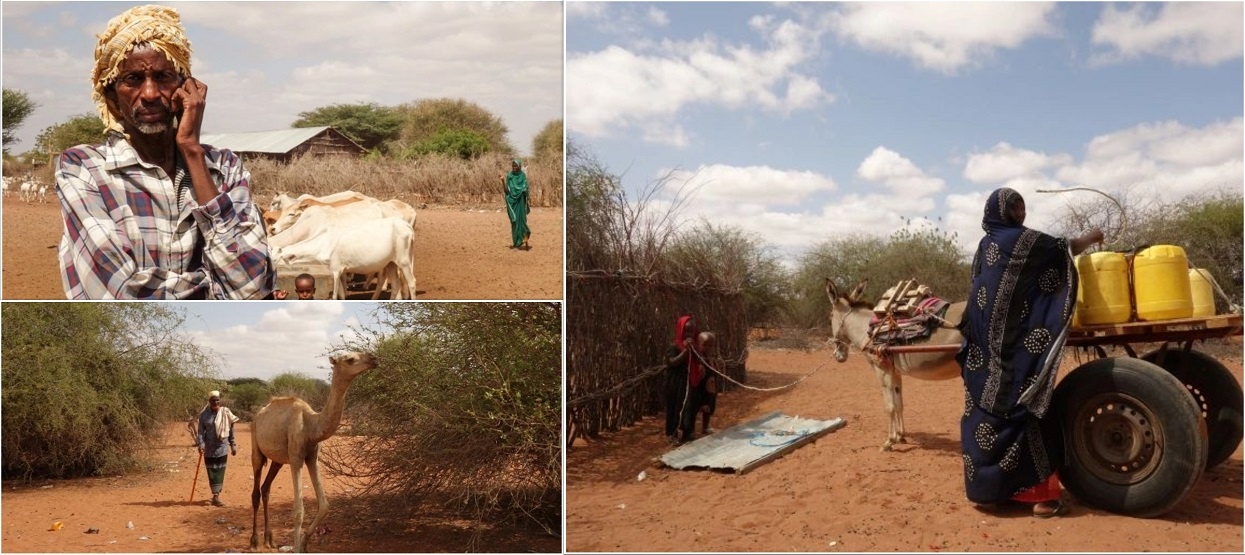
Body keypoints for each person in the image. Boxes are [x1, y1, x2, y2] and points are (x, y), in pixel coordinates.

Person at [56, 5, 273, 299]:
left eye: (163, 77)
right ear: (112, 94)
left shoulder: (225, 166)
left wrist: (192, 151)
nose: (149, 94)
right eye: (132, 80)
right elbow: (124, 292)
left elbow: (251, 286)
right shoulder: (83, 168)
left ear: (188, 88)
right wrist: (216, 288)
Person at [956, 187, 1103, 518]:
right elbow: (1065, 248)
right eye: (1017, 208)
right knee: (1033, 406)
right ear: (1004, 212)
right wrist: (1093, 236)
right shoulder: (1028, 243)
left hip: (983, 355)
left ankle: (989, 493)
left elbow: (976, 294)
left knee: (981, 417)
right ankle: (1041, 498)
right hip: (1018, 354)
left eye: (1023, 207)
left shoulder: (984, 246)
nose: (1022, 213)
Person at [664, 315, 715, 445]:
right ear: (680, 330)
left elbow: (700, 360)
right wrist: (685, 351)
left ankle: (687, 432)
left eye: (691, 331)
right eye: (686, 330)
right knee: (675, 408)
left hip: (690, 382)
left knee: (689, 408)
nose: (689, 333)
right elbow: (672, 362)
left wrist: (701, 366)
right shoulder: (674, 347)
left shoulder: (695, 347)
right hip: (676, 383)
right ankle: (672, 434)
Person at [196, 390, 239, 507]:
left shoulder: (225, 413)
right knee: (211, 472)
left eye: (217, 400)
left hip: (222, 448)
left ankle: (216, 496)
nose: (215, 402)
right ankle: (215, 494)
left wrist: (233, 444)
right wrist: (201, 444)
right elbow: (200, 432)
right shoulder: (204, 415)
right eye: (213, 400)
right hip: (209, 449)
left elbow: (231, 430)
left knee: (220, 472)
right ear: (209, 401)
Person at [500, 159, 531, 250]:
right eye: (512, 166)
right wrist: (502, 181)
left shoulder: (522, 176)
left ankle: (525, 241)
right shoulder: (509, 176)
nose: (514, 167)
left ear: (519, 166)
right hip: (513, 202)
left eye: (515, 166)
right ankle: (516, 244)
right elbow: (507, 191)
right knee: (514, 222)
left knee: (522, 223)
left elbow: (525, 188)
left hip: (520, 201)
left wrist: (524, 190)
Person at [696, 331, 719, 435]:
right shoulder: (697, 358)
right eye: (705, 345)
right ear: (698, 344)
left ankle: (705, 426)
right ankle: (689, 430)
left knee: (709, 406)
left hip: (710, 387)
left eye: (711, 346)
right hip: (700, 388)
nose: (708, 348)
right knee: (699, 406)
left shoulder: (711, 358)